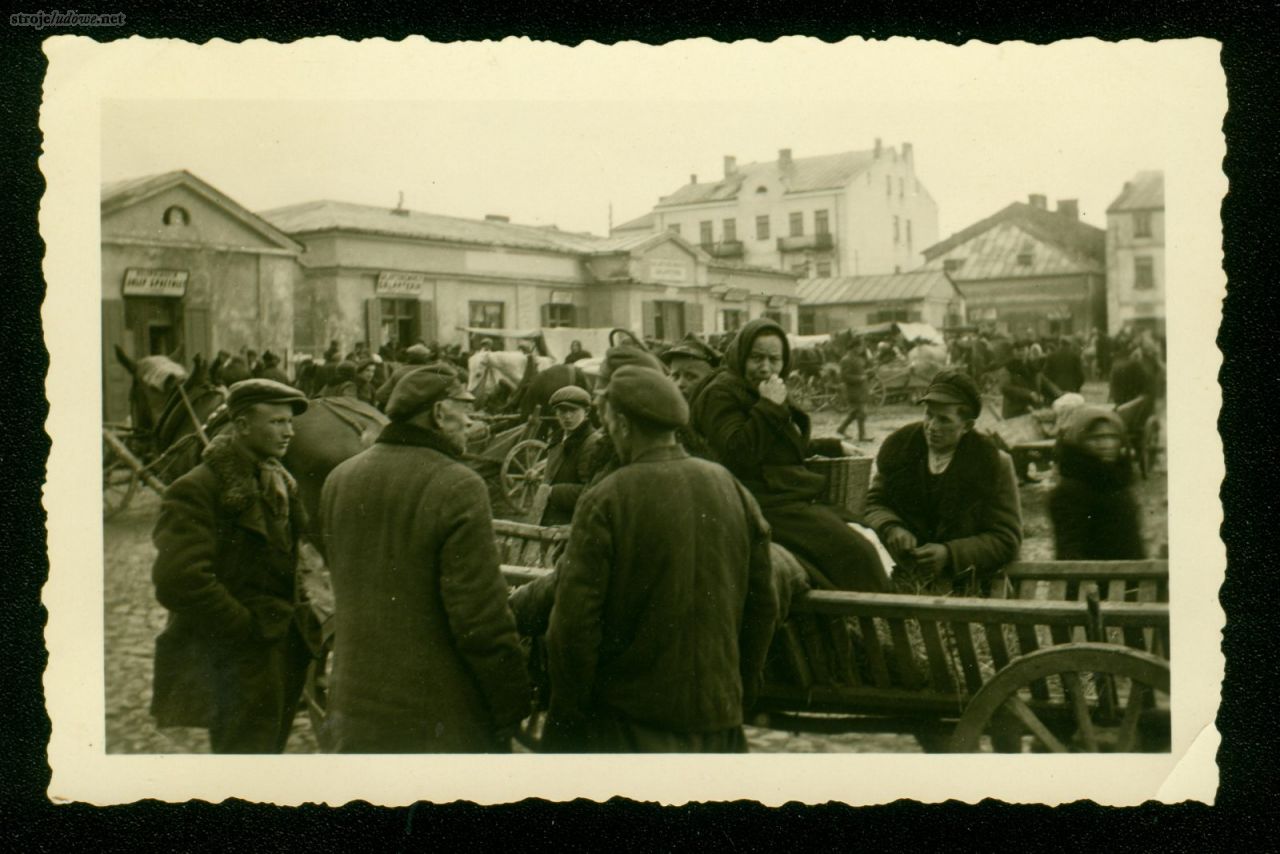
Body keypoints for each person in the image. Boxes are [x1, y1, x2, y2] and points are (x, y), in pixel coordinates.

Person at [543, 366, 778, 752]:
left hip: (631, 728)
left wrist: (567, 719)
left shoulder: (606, 498)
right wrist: (738, 692)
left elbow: (573, 626)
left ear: (619, 423)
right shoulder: (729, 485)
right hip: (719, 724)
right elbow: (762, 605)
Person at [319, 365, 531, 752]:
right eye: (464, 410)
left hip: (353, 706)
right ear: (437, 414)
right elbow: (480, 615)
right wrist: (511, 697)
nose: (470, 422)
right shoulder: (458, 484)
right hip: (435, 715)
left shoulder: (340, 479)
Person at [150, 379, 315, 753]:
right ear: (241, 426)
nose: (288, 432)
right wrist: (245, 627)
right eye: (276, 422)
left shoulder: (277, 481)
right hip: (235, 660)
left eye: (290, 422)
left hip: (281, 650)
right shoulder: (198, 488)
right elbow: (179, 579)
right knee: (242, 763)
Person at [689, 317, 889, 592]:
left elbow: (780, 444)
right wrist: (769, 406)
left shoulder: (761, 390)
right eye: (756, 358)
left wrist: (832, 446)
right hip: (756, 501)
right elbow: (736, 452)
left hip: (784, 495)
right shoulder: (722, 393)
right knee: (856, 551)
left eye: (774, 359)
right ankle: (882, 614)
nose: (765, 368)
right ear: (740, 355)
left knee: (861, 530)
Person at [864, 369, 1023, 594]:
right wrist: (891, 526)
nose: (931, 426)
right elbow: (873, 502)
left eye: (944, 420)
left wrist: (950, 553)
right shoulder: (900, 451)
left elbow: (1007, 539)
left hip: (968, 587)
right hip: (905, 583)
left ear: (966, 426)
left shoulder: (993, 464)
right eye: (928, 415)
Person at [1048, 406, 1145, 560]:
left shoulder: (1120, 483)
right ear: (1079, 442)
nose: (1106, 444)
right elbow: (1070, 553)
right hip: (1091, 579)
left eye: (1113, 437)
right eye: (1096, 438)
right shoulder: (1070, 491)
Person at [538, 385, 600, 526]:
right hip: (550, 518)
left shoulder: (592, 443)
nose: (567, 416)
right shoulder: (558, 438)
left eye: (573, 410)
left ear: (587, 412)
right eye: (562, 410)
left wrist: (553, 492)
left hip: (572, 522)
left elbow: (591, 490)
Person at [1000, 339, 1059, 418]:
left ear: (1027, 350)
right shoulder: (1008, 368)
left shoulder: (1033, 367)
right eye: (1018, 350)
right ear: (1013, 352)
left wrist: (1061, 394)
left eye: (1023, 350)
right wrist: (1028, 394)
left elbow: (1046, 384)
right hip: (1015, 412)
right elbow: (1005, 387)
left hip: (1032, 410)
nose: (1021, 353)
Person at [835, 337, 871, 442]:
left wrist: (867, 373)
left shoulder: (858, 358)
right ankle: (862, 435)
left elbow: (860, 371)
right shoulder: (846, 360)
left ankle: (841, 429)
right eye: (860, 346)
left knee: (855, 412)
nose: (861, 349)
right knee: (862, 413)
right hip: (853, 390)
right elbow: (844, 376)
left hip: (861, 390)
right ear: (854, 347)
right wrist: (860, 378)